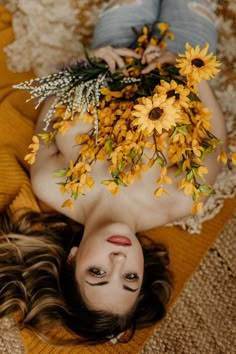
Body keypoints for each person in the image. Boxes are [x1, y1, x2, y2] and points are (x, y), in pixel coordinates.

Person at [0, 0, 226, 346]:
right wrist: (191, 73)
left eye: (98, 273)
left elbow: (49, 118)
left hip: (116, 52)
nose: (119, 259)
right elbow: (215, 144)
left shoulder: (53, 186)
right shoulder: (178, 202)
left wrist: (84, 66)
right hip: (182, 56)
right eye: (130, 277)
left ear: (72, 260)